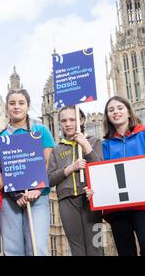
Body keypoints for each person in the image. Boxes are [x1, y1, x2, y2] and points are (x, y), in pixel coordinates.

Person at [86, 96, 145, 256]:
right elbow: (100, 175)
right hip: (117, 207)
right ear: (108, 116)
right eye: (111, 110)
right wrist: (94, 191)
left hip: (143, 203)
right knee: (125, 252)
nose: (115, 112)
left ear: (129, 112)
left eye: (119, 108)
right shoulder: (105, 145)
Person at [0, 89, 55, 256]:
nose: (16, 107)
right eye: (12, 103)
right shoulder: (0, 138)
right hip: (10, 200)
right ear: (7, 107)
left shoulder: (41, 131)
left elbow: (49, 162)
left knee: (37, 248)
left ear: (28, 106)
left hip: (38, 198)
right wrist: (14, 194)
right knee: (13, 250)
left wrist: (38, 189)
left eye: (21, 103)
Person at [47, 106, 103, 256]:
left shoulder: (94, 141)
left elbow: (101, 167)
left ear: (82, 120)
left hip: (90, 199)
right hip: (67, 201)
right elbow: (50, 179)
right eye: (64, 120)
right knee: (76, 250)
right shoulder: (57, 150)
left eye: (72, 119)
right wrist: (70, 168)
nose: (68, 124)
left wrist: (85, 145)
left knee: (96, 246)